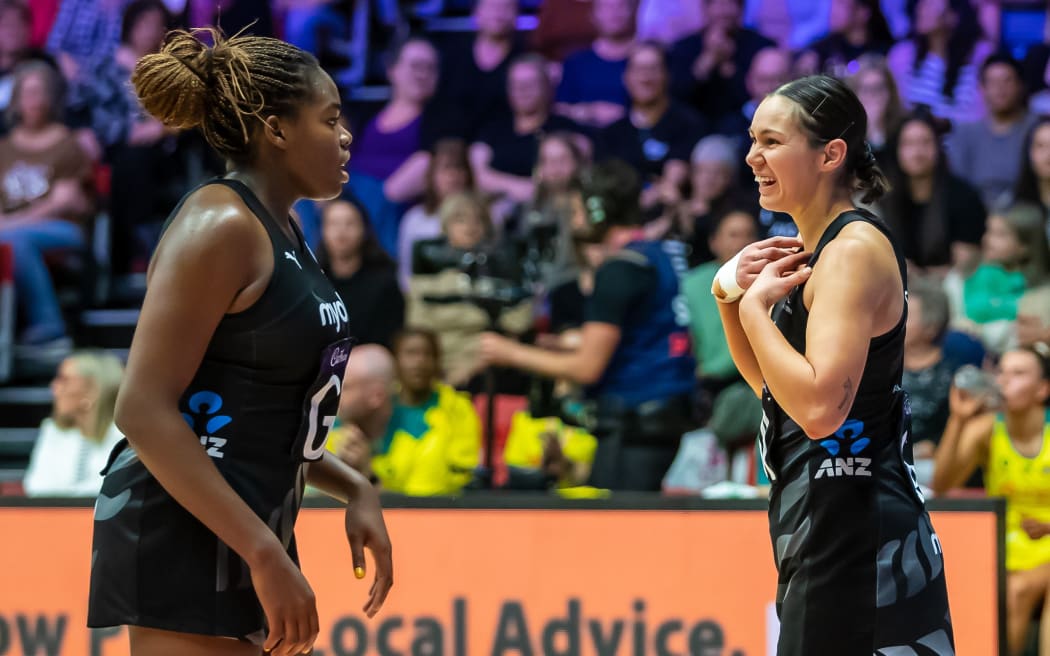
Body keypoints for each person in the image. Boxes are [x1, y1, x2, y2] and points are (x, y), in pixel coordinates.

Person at [86, 28, 393, 656]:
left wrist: (354, 485)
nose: (345, 135)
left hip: (247, 518)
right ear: (276, 129)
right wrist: (262, 552)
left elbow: (261, 411)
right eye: (330, 118)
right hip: (187, 524)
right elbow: (141, 408)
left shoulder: (283, 224)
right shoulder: (221, 223)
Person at [714, 74, 952, 653]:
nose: (752, 157)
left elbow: (820, 409)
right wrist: (729, 300)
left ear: (830, 153)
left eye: (771, 142)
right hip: (823, 520)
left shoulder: (850, 254)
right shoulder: (813, 250)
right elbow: (779, 394)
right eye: (752, 140)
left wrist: (754, 314)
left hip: (856, 527)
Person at [479, 159, 697, 491]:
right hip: (663, 415)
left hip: (635, 421)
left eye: (579, 209)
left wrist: (509, 353)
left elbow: (586, 369)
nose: (575, 218)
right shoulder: (658, 254)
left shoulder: (617, 270)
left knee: (617, 531)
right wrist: (574, 341)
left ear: (599, 211)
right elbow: (647, 329)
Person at [931, 346, 1050, 656]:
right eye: (1002, 372)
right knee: (1010, 589)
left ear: (1042, 388)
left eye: (1018, 374)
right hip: (1004, 546)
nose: (1004, 381)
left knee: (1020, 590)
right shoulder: (987, 429)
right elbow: (942, 485)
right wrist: (958, 421)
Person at [23, 350, 124, 497]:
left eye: (64, 379)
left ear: (93, 390)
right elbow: (36, 486)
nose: (54, 387)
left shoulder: (125, 436)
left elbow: (114, 490)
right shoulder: (52, 431)